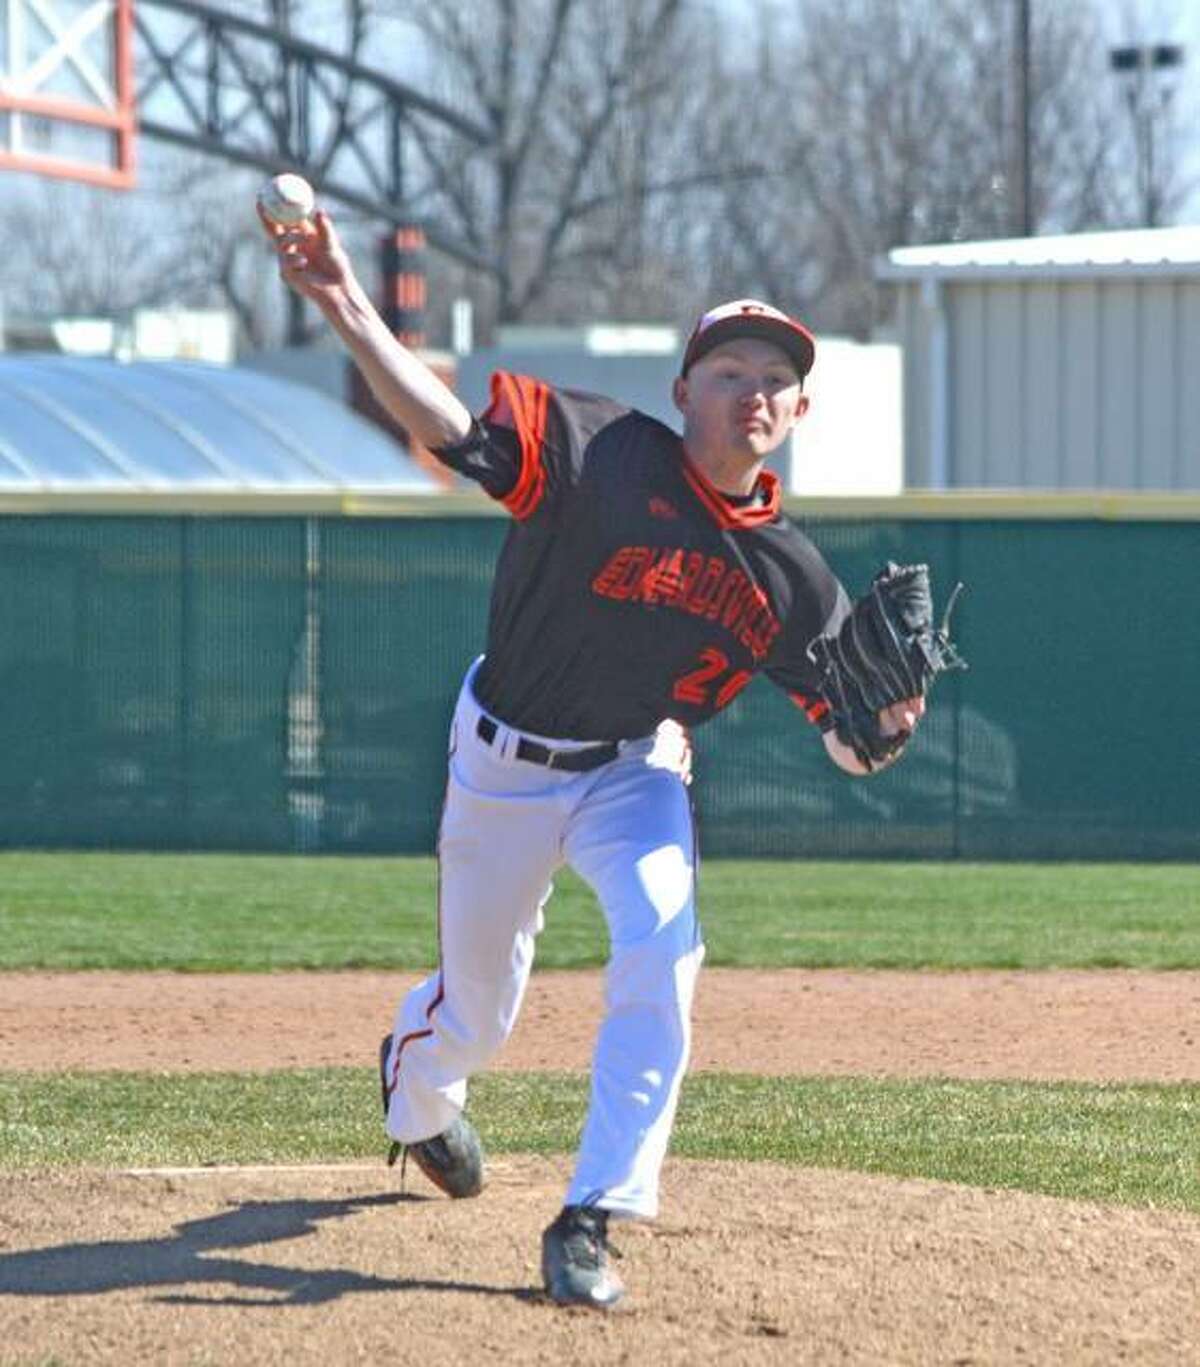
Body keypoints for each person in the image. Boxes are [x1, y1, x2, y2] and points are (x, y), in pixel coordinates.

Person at [258, 204, 925, 1309]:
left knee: (665, 950)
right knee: (479, 1009)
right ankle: (416, 1094)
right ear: (683, 392)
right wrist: (342, 302)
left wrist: (883, 737)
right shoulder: (601, 452)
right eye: (727, 370)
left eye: (775, 377)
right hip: (503, 762)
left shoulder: (797, 580)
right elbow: (447, 425)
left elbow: (844, 738)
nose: (752, 390)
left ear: (800, 408)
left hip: (634, 770)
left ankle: (594, 1211)